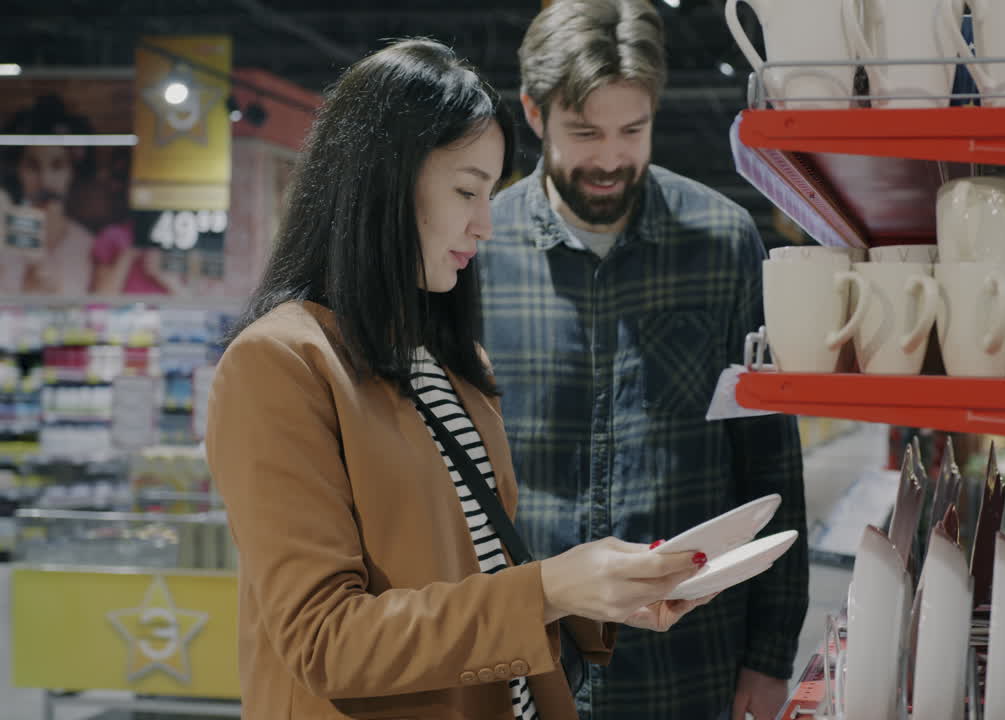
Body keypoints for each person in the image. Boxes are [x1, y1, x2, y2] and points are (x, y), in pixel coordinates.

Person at [205, 38, 715, 720]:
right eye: (467, 190)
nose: (485, 223)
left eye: (491, 192)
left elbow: (470, 573)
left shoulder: (443, 361)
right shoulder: (279, 365)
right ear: (384, 182)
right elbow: (326, 642)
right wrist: (549, 588)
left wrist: (599, 594)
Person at [478, 2, 809, 719]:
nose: (609, 159)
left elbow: (771, 461)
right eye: (585, 132)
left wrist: (769, 655)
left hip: (687, 663)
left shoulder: (721, 244)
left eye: (632, 131)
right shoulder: (476, 251)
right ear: (535, 114)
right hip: (522, 662)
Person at [0, 94, 96, 295]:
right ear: (18, 171)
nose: (45, 181)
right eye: (32, 167)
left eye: (57, 166)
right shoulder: (4, 237)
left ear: (72, 172)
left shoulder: (86, 244)